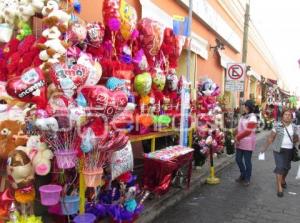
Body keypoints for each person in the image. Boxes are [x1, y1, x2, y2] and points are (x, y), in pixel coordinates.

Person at [262, 109, 299, 197]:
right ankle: (279, 187)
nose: (287, 116)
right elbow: (271, 137)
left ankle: (283, 179)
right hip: (278, 150)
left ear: (292, 117)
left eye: (289, 115)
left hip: (289, 150)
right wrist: (264, 148)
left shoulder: (294, 127)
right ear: (282, 116)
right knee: (280, 167)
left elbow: (297, 139)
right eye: (285, 114)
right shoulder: (277, 125)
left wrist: (296, 139)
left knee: (287, 168)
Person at [234, 100, 257, 186]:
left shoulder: (253, 117)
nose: (242, 107)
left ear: (247, 107)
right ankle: (243, 174)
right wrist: (233, 133)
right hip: (240, 141)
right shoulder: (243, 116)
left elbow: (248, 132)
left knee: (247, 161)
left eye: (244, 105)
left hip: (248, 142)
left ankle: (247, 178)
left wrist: (237, 137)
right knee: (238, 159)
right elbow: (239, 128)